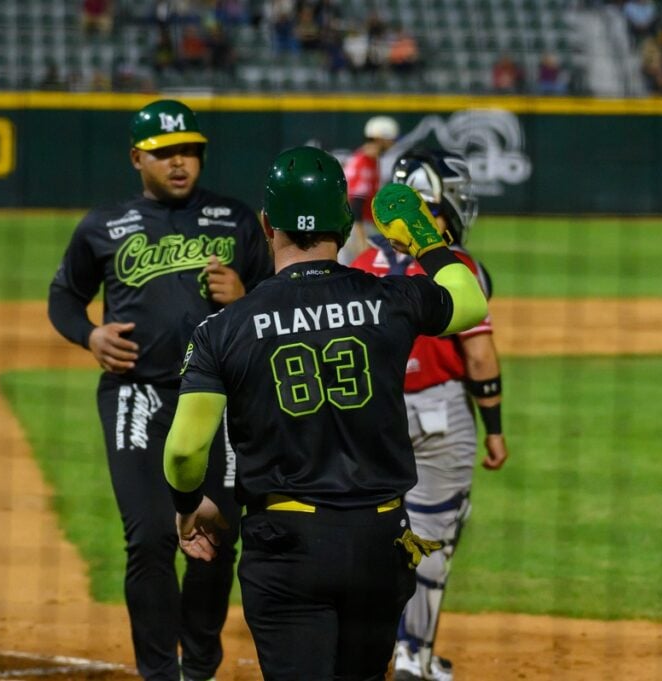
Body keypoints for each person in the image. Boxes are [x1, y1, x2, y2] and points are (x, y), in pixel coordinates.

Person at [162, 146, 490, 680]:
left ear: (267, 223)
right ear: (345, 221)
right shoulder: (391, 299)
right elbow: (469, 302)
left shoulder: (223, 329)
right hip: (380, 543)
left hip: (288, 548)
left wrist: (186, 506)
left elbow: (183, 450)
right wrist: (424, 237)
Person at [47, 99, 273, 681]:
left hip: (219, 401)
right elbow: (64, 296)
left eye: (189, 152)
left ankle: (198, 666)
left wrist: (247, 294)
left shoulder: (236, 219)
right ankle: (158, 674)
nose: (179, 164)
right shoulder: (103, 225)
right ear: (136, 158)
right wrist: (90, 335)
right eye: (165, 153)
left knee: (216, 539)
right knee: (149, 538)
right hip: (136, 397)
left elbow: (279, 303)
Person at [350, 149, 510, 681]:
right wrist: (495, 430)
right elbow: (480, 356)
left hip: (371, 419)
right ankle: (413, 655)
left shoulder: (358, 266)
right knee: (433, 535)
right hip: (440, 415)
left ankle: (369, 650)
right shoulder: (455, 266)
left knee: (375, 533)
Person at [341, 114, 400, 264]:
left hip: (353, 223)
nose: (392, 144)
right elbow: (356, 204)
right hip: (356, 226)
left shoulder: (365, 158)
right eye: (390, 139)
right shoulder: (364, 161)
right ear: (380, 139)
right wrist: (362, 242)